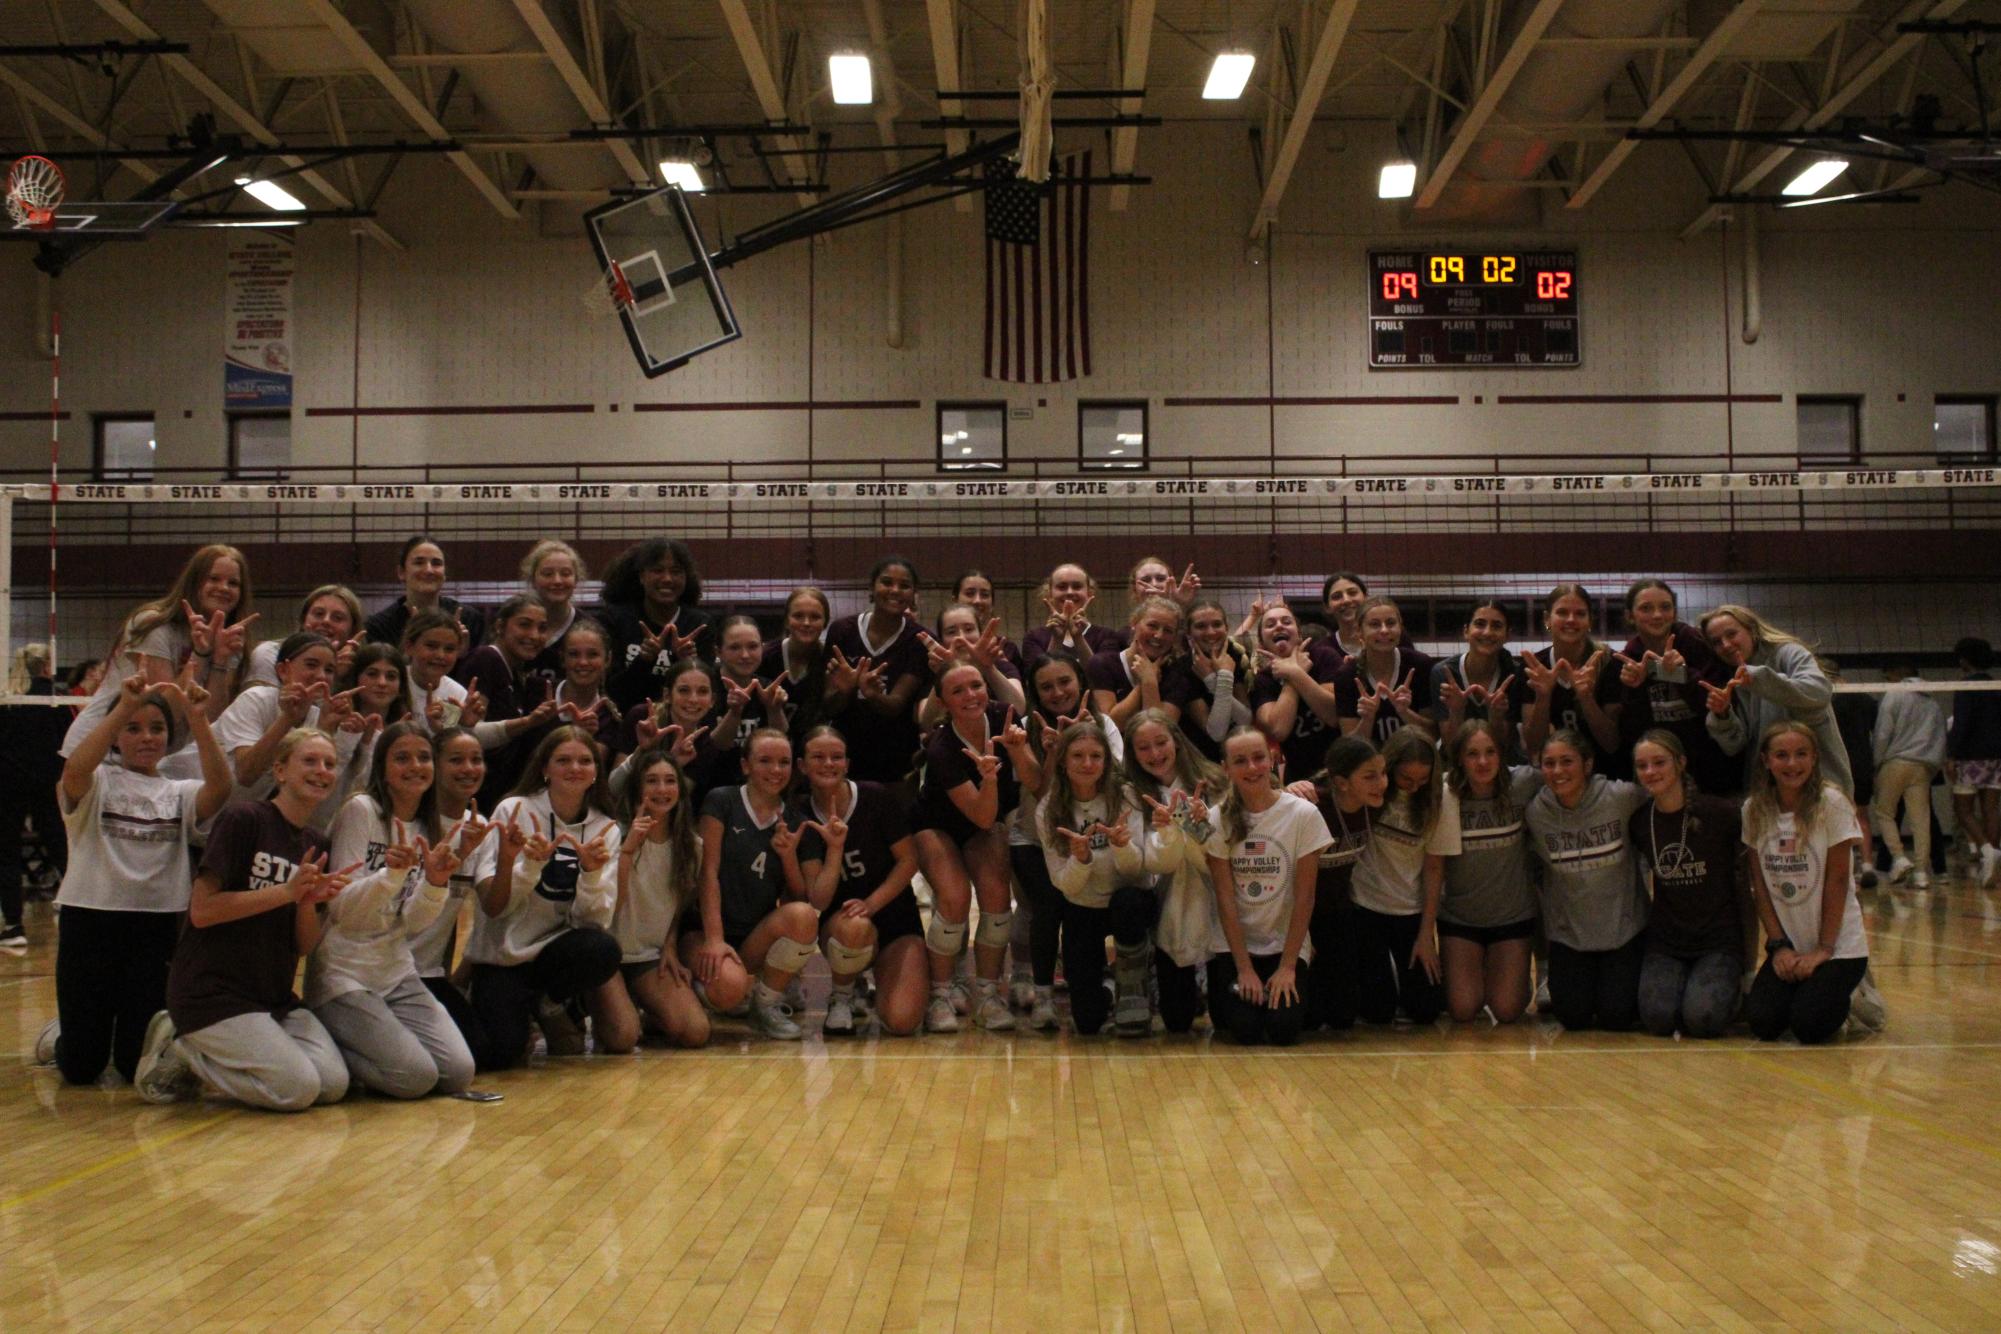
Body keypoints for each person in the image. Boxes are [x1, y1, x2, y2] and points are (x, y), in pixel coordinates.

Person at [135, 728, 356, 1110]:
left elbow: (305, 946)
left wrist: (305, 902)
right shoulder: (244, 819)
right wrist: (286, 892)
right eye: (309, 760)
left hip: (271, 997)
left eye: (329, 764)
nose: (321, 770)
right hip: (212, 994)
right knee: (297, 1090)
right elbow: (203, 911)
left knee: (332, 1085)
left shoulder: (315, 843)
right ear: (280, 770)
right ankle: (184, 1046)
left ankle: (204, 1053)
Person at [38, 669, 230, 1085]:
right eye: (134, 728)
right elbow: (74, 769)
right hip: (90, 918)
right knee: (81, 1069)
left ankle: (93, 1036)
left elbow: (221, 787)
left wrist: (198, 721)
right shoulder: (97, 780)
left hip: (154, 924)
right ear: (116, 737)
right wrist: (123, 704)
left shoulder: (177, 792)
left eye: (157, 729)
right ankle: (63, 1036)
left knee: (131, 1064)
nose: (147, 737)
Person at [310, 721, 478, 1097]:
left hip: (396, 971)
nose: (415, 766)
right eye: (402, 758)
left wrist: (434, 882)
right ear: (382, 768)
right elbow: (342, 909)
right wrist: (391, 876)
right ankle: (328, 1041)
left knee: (458, 1072)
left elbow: (414, 923)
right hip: (344, 973)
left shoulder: (427, 826)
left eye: (423, 757)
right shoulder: (361, 810)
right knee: (415, 1078)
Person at [463, 726, 623, 1069]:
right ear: (544, 768)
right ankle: (514, 1008)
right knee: (499, 1056)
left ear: (596, 771)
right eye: (563, 760)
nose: (574, 768)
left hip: (555, 953)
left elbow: (592, 923)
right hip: (504, 955)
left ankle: (552, 1002)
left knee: (602, 949)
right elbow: (495, 908)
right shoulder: (513, 810)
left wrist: (592, 873)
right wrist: (529, 867)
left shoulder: (606, 828)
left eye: (584, 761)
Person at [911, 663, 1038, 1031]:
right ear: (943, 701)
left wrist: (1018, 752)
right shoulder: (942, 747)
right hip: (937, 824)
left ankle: (987, 993)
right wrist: (988, 777)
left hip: (984, 820)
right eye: (958, 691)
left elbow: (1034, 781)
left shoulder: (1005, 717)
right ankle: (940, 993)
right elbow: (983, 816)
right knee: (953, 899)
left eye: (976, 686)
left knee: (998, 900)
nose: (970, 696)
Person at [1742, 721, 1876, 1043]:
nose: (1792, 764)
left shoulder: (1831, 803)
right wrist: (1778, 946)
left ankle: (1856, 1001)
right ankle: (1812, 990)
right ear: (1766, 760)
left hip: (1838, 947)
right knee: (1763, 1023)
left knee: (1809, 1026)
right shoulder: (1753, 810)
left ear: (1814, 758)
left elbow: (1839, 879)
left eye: (1801, 754)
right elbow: (1759, 885)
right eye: (1782, 755)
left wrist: (1823, 950)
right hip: (1790, 946)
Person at [687, 729, 820, 1040]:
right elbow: (708, 872)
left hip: (753, 934)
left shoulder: (797, 821)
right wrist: (715, 940)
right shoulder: (722, 800)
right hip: (703, 929)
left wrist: (787, 856)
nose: (775, 770)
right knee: (727, 992)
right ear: (746, 765)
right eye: (765, 761)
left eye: (783, 762)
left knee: (803, 915)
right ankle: (698, 988)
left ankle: (767, 1003)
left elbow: (800, 896)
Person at [794, 726, 927, 1037]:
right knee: (854, 927)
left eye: (836, 757)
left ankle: (892, 978)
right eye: (818, 757)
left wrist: (871, 904)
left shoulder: (876, 797)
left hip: (893, 917)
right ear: (801, 765)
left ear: (847, 764)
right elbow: (820, 900)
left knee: (901, 1021)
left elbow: (909, 861)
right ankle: (842, 995)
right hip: (842, 926)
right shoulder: (800, 814)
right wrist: (836, 848)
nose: (828, 763)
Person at [64, 543, 257, 757]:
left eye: (233, 583)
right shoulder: (153, 624)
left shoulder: (230, 640)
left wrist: (220, 660)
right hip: (100, 746)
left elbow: (208, 717)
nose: (224, 587)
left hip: (154, 752)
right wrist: (201, 653)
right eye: (213, 578)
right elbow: (165, 711)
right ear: (194, 581)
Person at [1203, 727, 1332, 1046]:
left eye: (1259, 758)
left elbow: (1305, 897)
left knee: (1283, 1031)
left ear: (1273, 759)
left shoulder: (1303, 814)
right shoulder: (1217, 819)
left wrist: (1288, 966)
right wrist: (1243, 968)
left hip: (1285, 946)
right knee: (1244, 1031)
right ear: (1226, 768)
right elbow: (1225, 897)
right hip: (1237, 949)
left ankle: (1300, 983)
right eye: (1241, 761)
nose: (1252, 768)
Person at [1008, 652, 1117, 1028]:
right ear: (1034, 692)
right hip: (1035, 836)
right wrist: (1053, 752)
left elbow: (1111, 783)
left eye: (1064, 681)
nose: (1057, 692)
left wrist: (1081, 738)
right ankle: (1042, 997)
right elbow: (1042, 795)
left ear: (1081, 681)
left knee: (1082, 907)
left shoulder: (1104, 725)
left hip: (1088, 835)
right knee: (1048, 906)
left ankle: (1098, 981)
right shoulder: (1025, 727)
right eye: (1046, 686)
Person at [1524, 729, 1648, 1032]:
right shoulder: (1536, 814)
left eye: (1567, 761)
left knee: (1616, 1017)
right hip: (1570, 937)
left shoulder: (1622, 798)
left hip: (1623, 931)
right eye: (1549, 763)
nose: (1557, 771)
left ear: (1587, 764)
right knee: (1572, 1017)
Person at [1629, 730, 1745, 1039]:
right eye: (1642, 766)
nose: (1650, 772)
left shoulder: (1720, 815)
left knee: (1702, 1020)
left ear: (1680, 763)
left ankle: (1731, 994)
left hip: (1717, 940)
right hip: (1667, 942)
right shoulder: (1640, 821)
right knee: (1657, 1019)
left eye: (1659, 762)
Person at [1039, 720, 1148, 1036]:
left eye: (1096, 756)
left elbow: (1136, 870)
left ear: (1106, 760)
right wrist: (1082, 859)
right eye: (1078, 756)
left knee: (1128, 902)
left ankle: (1134, 984)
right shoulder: (1049, 809)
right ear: (1063, 760)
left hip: (1128, 900)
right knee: (1087, 1023)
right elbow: (1065, 885)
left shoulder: (1125, 796)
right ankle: (1107, 988)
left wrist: (1121, 846)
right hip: (1082, 907)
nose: (1087, 764)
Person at [597, 746, 710, 1050]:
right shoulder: (612, 834)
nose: (662, 789)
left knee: (695, 1031)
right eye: (652, 781)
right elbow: (611, 905)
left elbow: (678, 907)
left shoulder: (692, 846)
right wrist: (629, 850)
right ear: (637, 787)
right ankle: (589, 1004)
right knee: (622, 1038)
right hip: (605, 955)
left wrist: (670, 945)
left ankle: (643, 1007)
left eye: (670, 781)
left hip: (647, 956)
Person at [1347, 728, 1454, 1025]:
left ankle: (1400, 978)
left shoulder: (1440, 799)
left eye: (1422, 780)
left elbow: (1434, 868)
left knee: (1426, 1009)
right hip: (1365, 905)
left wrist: (1426, 935)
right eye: (1406, 779)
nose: (1413, 787)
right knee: (1376, 1012)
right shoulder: (1371, 790)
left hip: (1410, 910)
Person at [1125, 709, 1223, 1034]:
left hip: (1221, 909)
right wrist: (1170, 831)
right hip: (1166, 912)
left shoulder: (1216, 781)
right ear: (1132, 753)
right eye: (1143, 747)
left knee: (1230, 1022)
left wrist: (1190, 823)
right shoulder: (1131, 794)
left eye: (1160, 742)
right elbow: (1155, 865)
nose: (1155, 754)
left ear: (1176, 741)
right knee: (1177, 1022)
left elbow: (1216, 860)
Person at [212, 632, 373, 828]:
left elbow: (301, 793)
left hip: (235, 823)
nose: (321, 675)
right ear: (283, 670)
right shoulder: (255, 699)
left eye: (329, 669)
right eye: (311, 665)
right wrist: (288, 719)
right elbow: (247, 774)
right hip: (187, 810)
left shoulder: (318, 717)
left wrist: (325, 729)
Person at [1438, 721, 1540, 1024]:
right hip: (1460, 918)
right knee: (1463, 1009)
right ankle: (1480, 972)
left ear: (1501, 754)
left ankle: (1514, 976)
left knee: (1507, 1010)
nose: (1482, 762)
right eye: (1472, 754)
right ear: (1459, 758)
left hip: (1512, 917)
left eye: (1490, 752)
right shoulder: (1445, 793)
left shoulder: (1523, 783)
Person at [1699, 604, 1853, 796]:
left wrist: (1759, 679)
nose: (1726, 645)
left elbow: (1819, 691)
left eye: (1731, 634)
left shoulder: (1788, 653)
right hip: (1770, 795)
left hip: (1822, 789)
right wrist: (1722, 714)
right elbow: (1735, 745)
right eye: (1717, 642)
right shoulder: (1735, 680)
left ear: (1752, 630)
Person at [409, 727, 492, 1057]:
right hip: (390, 971)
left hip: (429, 975)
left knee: (486, 1052)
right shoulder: (412, 820)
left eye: (477, 760)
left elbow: (462, 918)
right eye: (456, 760)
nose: (469, 768)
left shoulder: (480, 826)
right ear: (435, 766)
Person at [1611, 579, 1735, 795]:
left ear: (1675, 612)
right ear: (1630, 616)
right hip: (1660, 771)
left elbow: (1717, 705)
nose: (1657, 615)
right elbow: (1633, 731)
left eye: (1665, 607)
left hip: (1711, 767)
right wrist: (1635, 688)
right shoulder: (1628, 659)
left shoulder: (1695, 643)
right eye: (1646, 608)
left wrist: (1680, 675)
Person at [824, 555, 931, 785]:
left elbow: (895, 704)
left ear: (913, 594)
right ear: (871, 587)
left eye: (904, 586)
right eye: (887, 582)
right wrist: (846, 690)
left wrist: (872, 695)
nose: (895, 590)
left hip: (897, 758)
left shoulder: (919, 639)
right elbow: (829, 706)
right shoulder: (842, 631)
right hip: (846, 754)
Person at [1305, 735, 1387, 1032]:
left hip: (1339, 912)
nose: (1381, 783)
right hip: (1303, 914)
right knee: (1309, 1020)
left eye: (1382, 773)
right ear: (1341, 782)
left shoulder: (1374, 804)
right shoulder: (1313, 806)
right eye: (1370, 776)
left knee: (1343, 1017)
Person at [454, 594, 560, 806]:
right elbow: (471, 734)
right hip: (476, 794)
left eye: (542, 628)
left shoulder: (520, 675)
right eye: (524, 625)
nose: (534, 635)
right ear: (500, 626)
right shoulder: (486, 659)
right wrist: (528, 722)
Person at [0, 643, 69, 945]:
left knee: (7, 853)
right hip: (47, 782)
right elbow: (68, 741)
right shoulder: (53, 697)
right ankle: (73, 904)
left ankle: (14, 926)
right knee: (61, 844)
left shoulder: (7, 699)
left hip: (8, 783)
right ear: (45, 665)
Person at [599, 537, 712, 711]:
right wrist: (644, 660)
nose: (667, 578)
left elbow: (706, 693)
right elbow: (613, 691)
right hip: (626, 721)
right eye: (657, 570)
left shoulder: (699, 625)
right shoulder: (615, 620)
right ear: (642, 576)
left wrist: (684, 661)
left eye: (676, 571)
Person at [1520, 585, 1619, 766]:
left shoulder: (1609, 663)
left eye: (1580, 614)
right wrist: (1543, 697)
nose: (1571, 620)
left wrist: (1586, 697)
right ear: (1546, 619)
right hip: (1555, 775)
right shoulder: (1533, 667)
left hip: (1605, 774)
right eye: (1562, 613)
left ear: (1590, 621)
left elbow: (1611, 744)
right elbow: (1534, 746)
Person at [1870, 661, 1947, 889]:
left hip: (1895, 761)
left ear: (1897, 674)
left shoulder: (1894, 695)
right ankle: (1922, 873)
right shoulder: (1933, 702)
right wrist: (1934, 765)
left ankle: (1899, 857)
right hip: (1923, 765)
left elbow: (1883, 732)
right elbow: (1940, 736)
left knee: (1884, 812)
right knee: (1921, 820)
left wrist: (1877, 762)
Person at [1250, 602, 1343, 782]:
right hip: (1300, 780)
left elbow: (1333, 715)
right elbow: (1278, 730)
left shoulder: (1324, 656)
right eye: (1270, 624)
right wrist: (1292, 676)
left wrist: (1295, 673)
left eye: (1286, 621)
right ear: (1261, 643)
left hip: (1341, 770)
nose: (1279, 625)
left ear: (1299, 634)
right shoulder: (1262, 680)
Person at [1336, 597, 1437, 744]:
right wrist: (1368, 718)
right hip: (1370, 764)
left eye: (1390, 623)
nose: (1384, 630)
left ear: (1400, 627)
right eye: (1374, 624)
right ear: (1359, 631)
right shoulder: (1346, 676)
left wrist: (1404, 712)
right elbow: (1350, 749)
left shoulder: (1421, 665)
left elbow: (1434, 736)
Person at [1087, 597, 1194, 734]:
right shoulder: (1101, 664)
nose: (1159, 635)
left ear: (1174, 637)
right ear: (1134, 623)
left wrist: (1150, 684)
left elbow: (1159, 733)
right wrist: (1142, 683)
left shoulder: (1177, 677)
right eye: (1152, 626)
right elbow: (1112, 727)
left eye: (1168, 630)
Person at [1431, 598, 1522, 754]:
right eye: (1480, 624)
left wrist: (1496, 717)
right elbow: (1450, 747)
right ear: (1466, 631)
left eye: (1497, 626)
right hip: (1457, 765)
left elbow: (1504, 746)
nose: (1487, 632)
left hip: (1504, 765)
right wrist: (1456, 711)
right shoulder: (1443, 672)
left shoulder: (1515, 674)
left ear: (1508, 635)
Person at [363, 535, 485, 651]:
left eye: (436, 563)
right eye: (419, 562)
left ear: (444, 574)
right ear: (401, 572)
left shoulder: (469, 619)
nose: (428, 570)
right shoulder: (379, 627)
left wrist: (463, 653)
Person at [1946, 636, 2001, 885]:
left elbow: (1961, 724)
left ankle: (1987, 852)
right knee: (1990, 808)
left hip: (1971, 756)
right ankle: (1992, 860)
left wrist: (1951, 755)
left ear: (1964, 659)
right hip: (1996, 755)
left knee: (1963, 809)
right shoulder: (1996, 685)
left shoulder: (1966, 686)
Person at [918, 603, 1023, 724]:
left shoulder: (1001, 665)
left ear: (980, 633)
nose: (961, 637)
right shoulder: (934, 669)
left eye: (969, 629)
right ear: (941, 640)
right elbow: (926, 722)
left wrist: (988, 668)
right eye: (951, 632)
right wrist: (944, 673)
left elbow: (1018, 709)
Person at [245, 585, 364, 689]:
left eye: (338, 618)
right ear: (303, 620)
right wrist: (334, 674)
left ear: (352, 630)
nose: (326, 621)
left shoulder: (362, 670)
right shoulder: (270, 653)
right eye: (318, 614)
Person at [1181, 598, 1254, 762]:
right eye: (1201, 626)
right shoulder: (1183, 668)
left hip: (1238, 755)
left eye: (1217, 624)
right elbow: (1216, 733)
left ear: (1226, 628)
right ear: (1189, 633)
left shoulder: (1236, 656)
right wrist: (1219, 679)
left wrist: (1215, 679)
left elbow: (1245, 720)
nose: (1211, 632)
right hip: (1200, 759)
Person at [760, 586, 833, 744]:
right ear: (787, 621)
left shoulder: (830, 661)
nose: (806, 623)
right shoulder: (766, 657)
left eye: (815, 617)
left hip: (812, 750)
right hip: (769, 745)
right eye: (798, 616)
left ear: (825, 622)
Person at [1021, 563, 1122, 666]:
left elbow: (1103, 678)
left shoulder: (1107, 636)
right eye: (1062, 587)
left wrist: (1078, 637)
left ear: (1089, 593)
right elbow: (1037, 680)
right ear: (1049, 594)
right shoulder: (1034, 637)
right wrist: (1057, 639)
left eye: (1077, 586)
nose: (1069, 592)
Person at [717, 615, 791, 750]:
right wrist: (735, 712)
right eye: (734, 648)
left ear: (762, 648)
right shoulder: (704, 687)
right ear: (718, 652)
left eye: (753, 646)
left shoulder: (768, 688)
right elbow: (716, 746)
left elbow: (780, 746)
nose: (745, 655)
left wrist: (774, 710)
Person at [520, 539, 587, 673]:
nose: (557, 581)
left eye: (566, 574)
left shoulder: (588, 628)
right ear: (532, 580)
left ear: (576, 580)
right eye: (548, 574)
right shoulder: (515, 625)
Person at [950, 568, 1024, 674]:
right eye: (970, 593)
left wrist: (1005, 669)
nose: (977, 601)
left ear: (992, 605)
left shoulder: (1006, 649)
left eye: (984, 595)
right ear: (955, 601)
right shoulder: (943, 647)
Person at [1319, 572, 1371, 662]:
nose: (1346, 600)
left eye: (1352, 593)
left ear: (1366, 597)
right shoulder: (1320, 650)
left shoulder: (1388, 637)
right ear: (1327, 607)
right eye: (1337, 597)